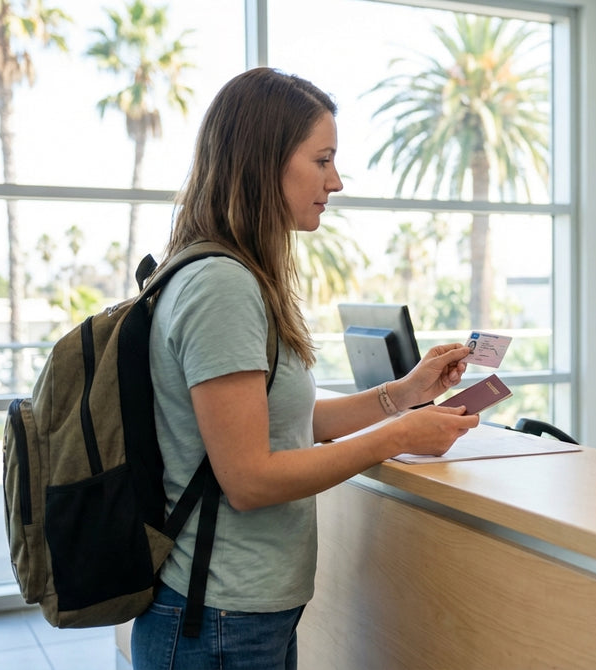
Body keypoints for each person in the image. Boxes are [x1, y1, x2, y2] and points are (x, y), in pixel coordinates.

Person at [130, 67, 480, 669]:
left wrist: (404, 393)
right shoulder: (222, 285)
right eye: (322, 160)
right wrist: (396, 437)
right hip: (217, 619)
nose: (336, 181)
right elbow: (249, 478)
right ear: (265, 162)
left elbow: (282, 421)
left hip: (242, 613)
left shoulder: (230, 274)